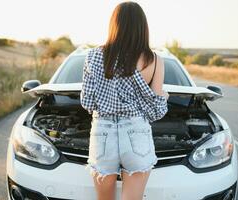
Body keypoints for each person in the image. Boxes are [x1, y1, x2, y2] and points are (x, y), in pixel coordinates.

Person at [80, 1, 169, 200]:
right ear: (142, 27)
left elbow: (87, 103)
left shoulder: (93, 56)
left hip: (102, 132)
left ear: (114, 24)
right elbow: (156, 112)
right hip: (137, 132)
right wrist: (163, 96)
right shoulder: (153, 60)